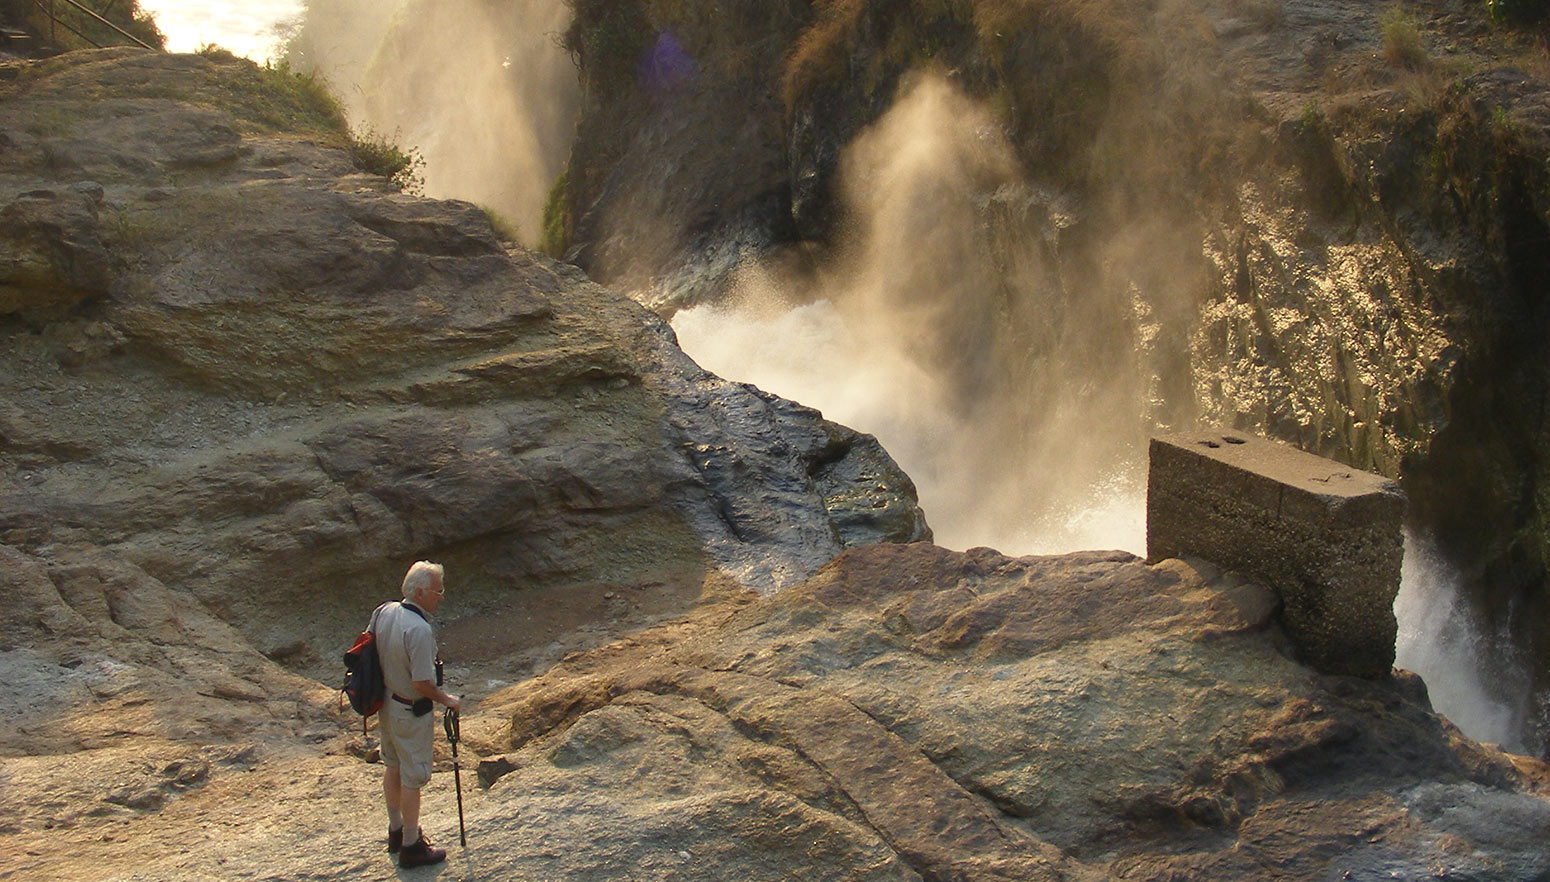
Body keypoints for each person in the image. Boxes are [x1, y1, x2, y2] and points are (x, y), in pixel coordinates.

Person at [374, 560, 461, 868]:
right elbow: (422, 682)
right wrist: (447, 699)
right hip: (410, 711)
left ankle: (395, 830)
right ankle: (411, 846)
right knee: (413, 776)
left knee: (393, 765)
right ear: (421, 592)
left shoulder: (384, 611)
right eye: (438, 590)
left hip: (386, 704)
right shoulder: (420, 630)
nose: (442, 596)